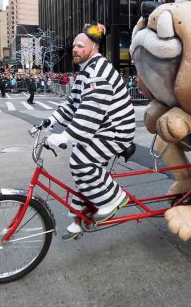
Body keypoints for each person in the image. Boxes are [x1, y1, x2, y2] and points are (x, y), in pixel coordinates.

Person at [41, 23, 135, 240]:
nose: (74, 49)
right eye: (74, 45)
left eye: (80, 45)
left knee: (81, 161)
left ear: (94, 47)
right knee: (84, 168)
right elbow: (73, 103)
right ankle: (81, 217)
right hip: (103, 129)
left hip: (116, 130)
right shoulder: (85, 72)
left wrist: (66, 136)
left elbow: (89, 112)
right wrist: (49, 121)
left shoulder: (98, 72)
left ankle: (115, 198)